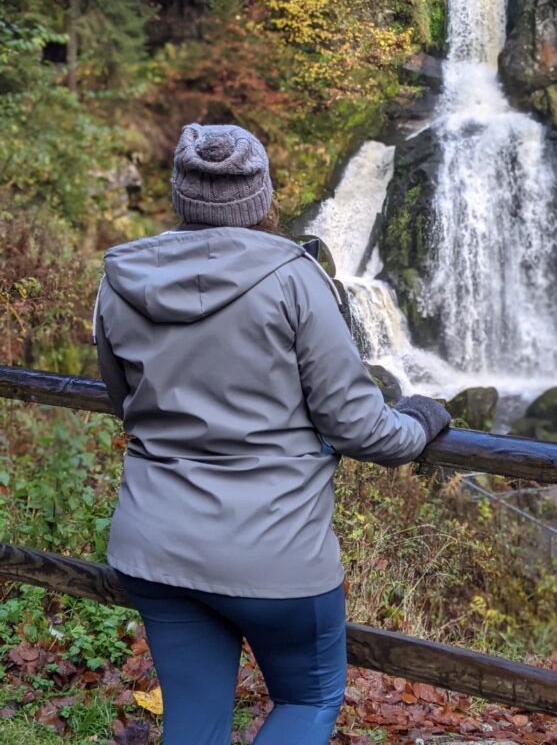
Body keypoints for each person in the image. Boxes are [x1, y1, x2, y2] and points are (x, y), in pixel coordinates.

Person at [93, 123, 451, 745]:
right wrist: (418, 424)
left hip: (156, 541)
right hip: (273, 551)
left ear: (182, 194)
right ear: (260, 198)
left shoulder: (122, 278)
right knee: (308, 698)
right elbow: (356, 424)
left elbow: (126, 403)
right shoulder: (294, 278)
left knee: (194, 722)